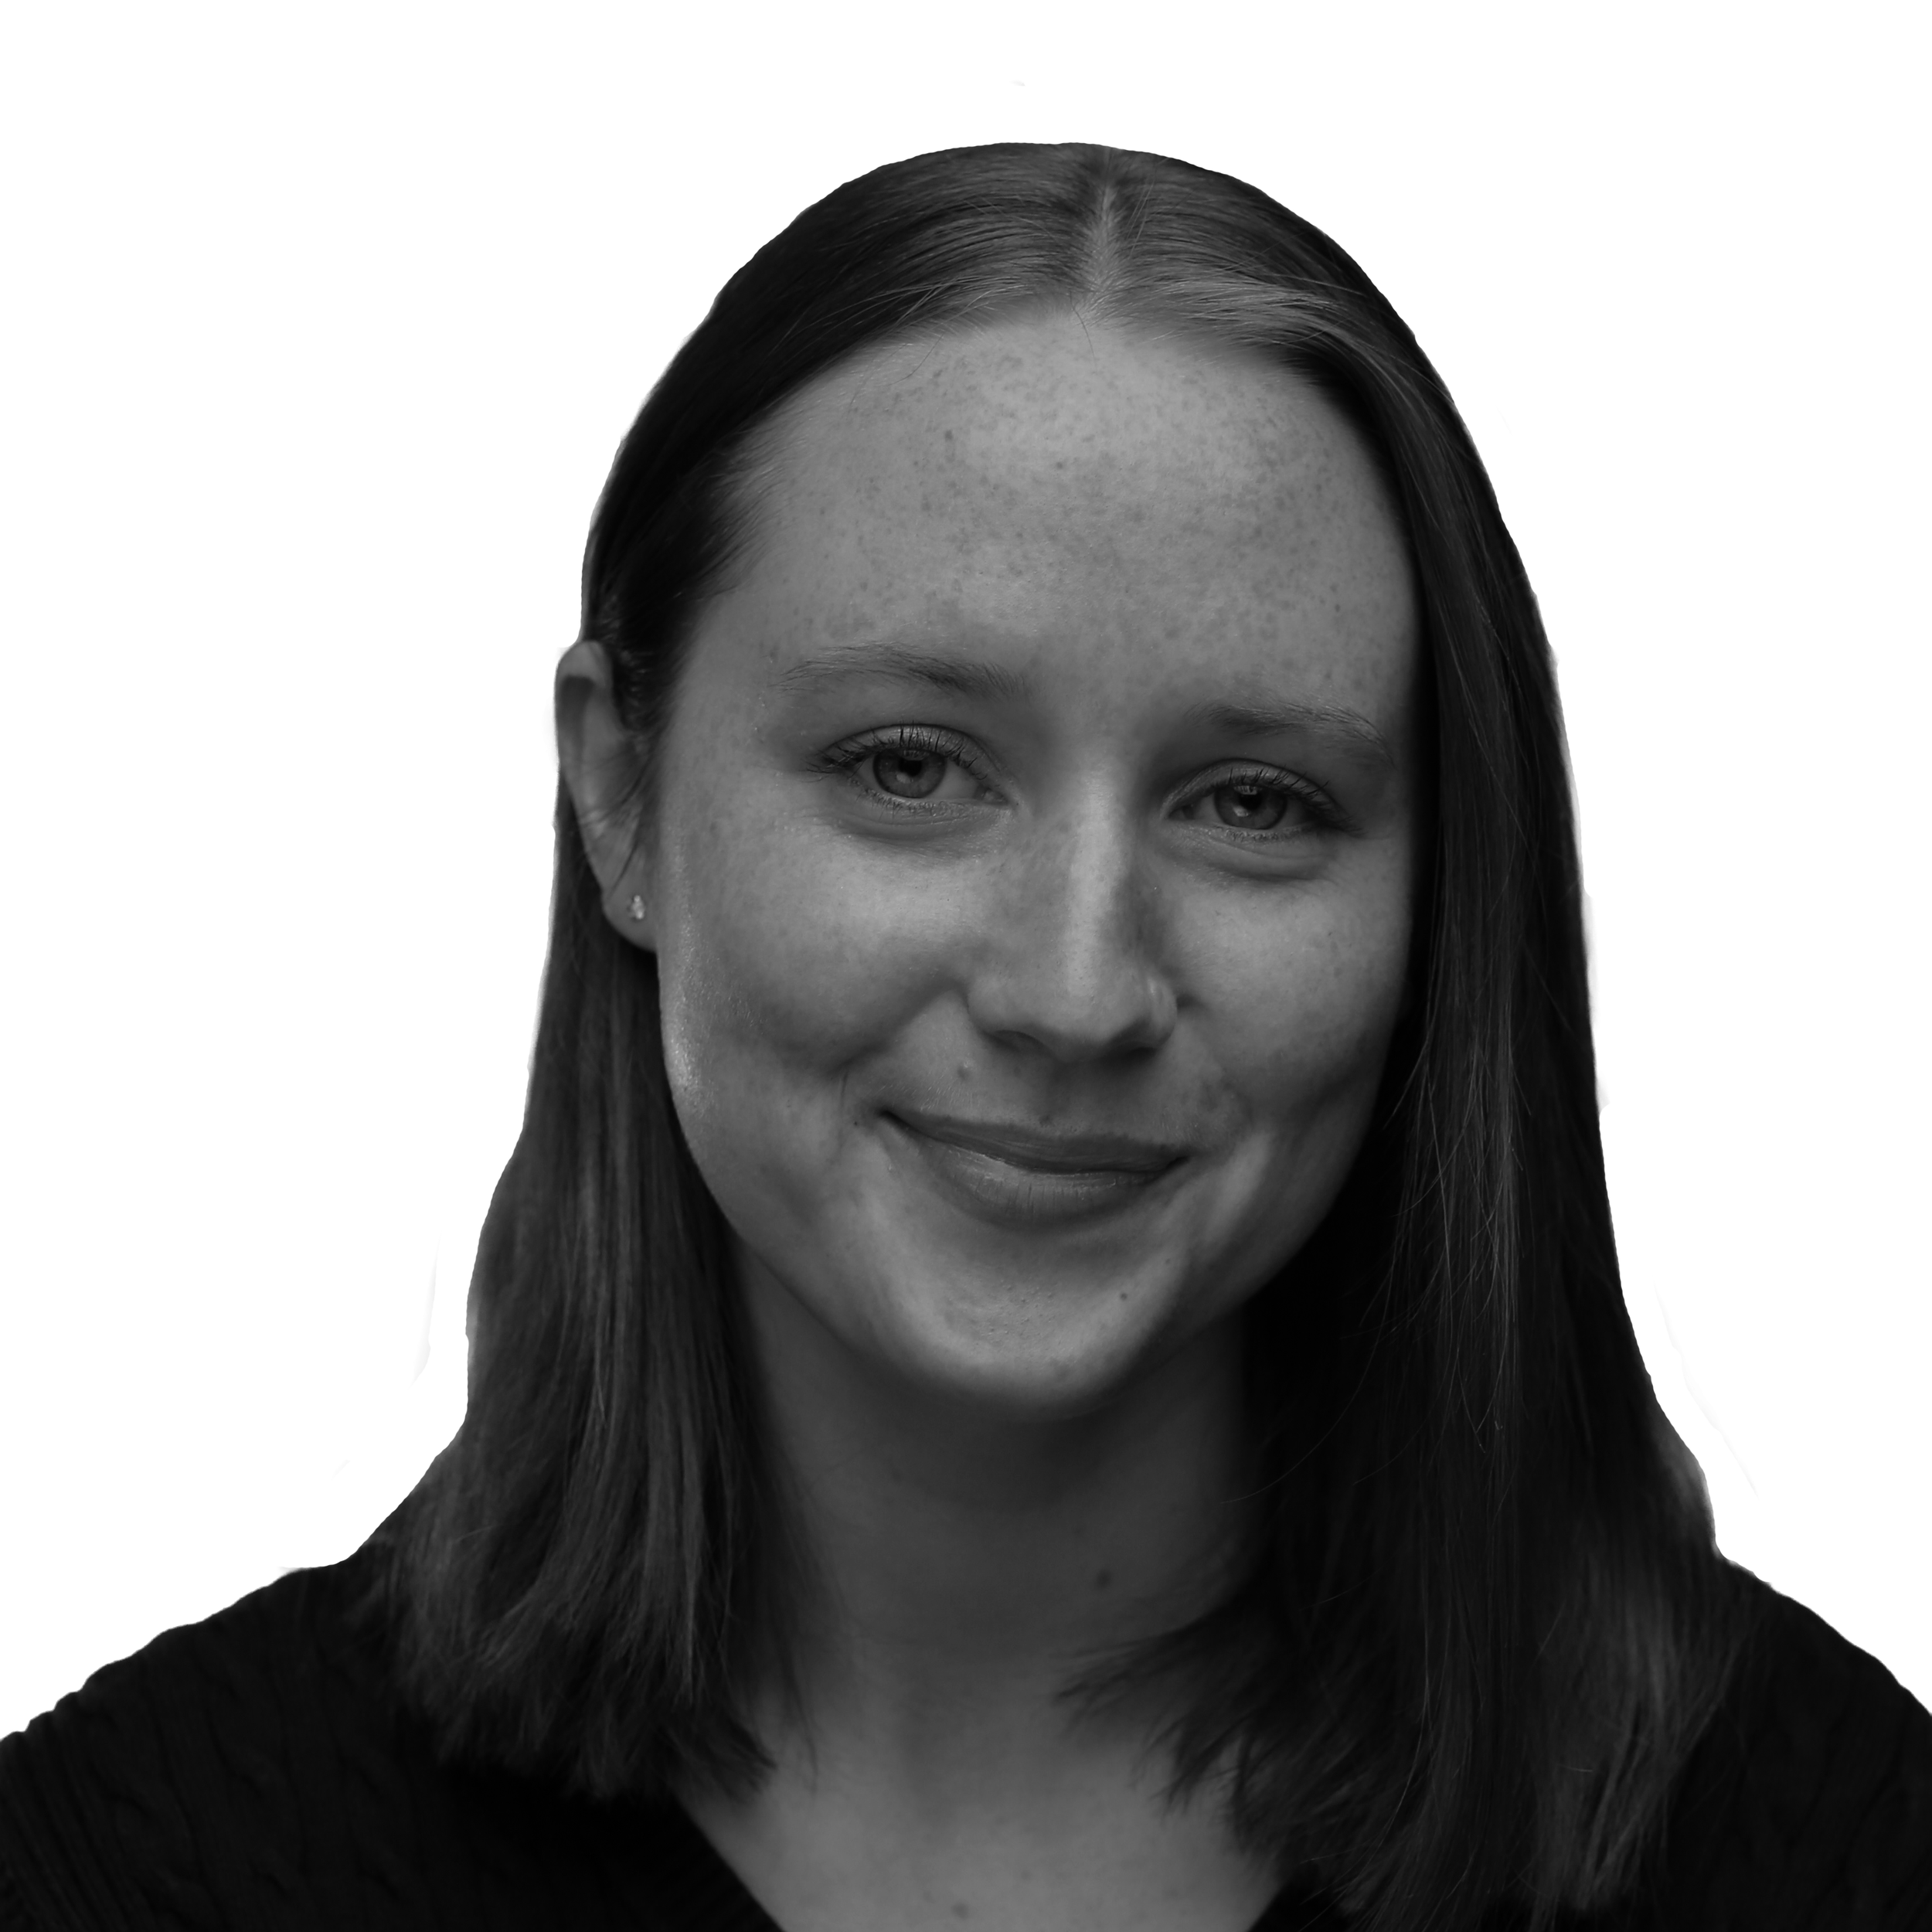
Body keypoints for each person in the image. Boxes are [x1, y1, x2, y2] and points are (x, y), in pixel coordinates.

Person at [2, 141, 1926, 1932]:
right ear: (617, 795)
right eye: (908, 766)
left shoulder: (1836, 1859)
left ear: (1438, 895)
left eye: (1253, 800)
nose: (1075, 988)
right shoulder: (130, 1872)